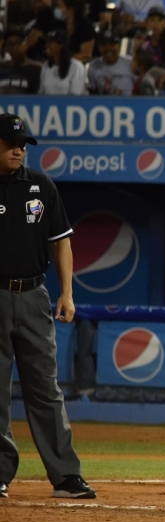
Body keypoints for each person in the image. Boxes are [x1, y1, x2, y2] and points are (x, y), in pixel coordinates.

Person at [0, 113, 96, 501]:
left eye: (23, 144)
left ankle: (66, 476)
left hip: (34, 295)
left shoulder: (40, 185)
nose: (19, 149)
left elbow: (61, 242)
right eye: (11, 143)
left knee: (45, 388)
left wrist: (67, 293)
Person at [134, 7, 165, 90]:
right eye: (152, 20)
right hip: (151, 78)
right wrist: (135, 50)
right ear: (147, 23)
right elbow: (135, 70)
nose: (156, 24)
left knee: (154, 73)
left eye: (160, 20)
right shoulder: (146, 43)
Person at [87, 30, 135, 95]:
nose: (108, 48)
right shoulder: (93, 66)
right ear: (99, 48)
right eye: (104, 45)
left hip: (131, 102)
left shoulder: (130, 63)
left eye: (112, 44)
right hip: (104, 103)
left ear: (119, 46)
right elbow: (93, 92)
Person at [39, 29, 86, 95]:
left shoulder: (76, 67)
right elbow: (42, 92)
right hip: (49, 104)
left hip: (68, 104)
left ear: (61, 45)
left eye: (50, 42)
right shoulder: (46, 66)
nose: (46, 46)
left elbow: (76, 96)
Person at [0, 29, 42, 94]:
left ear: (24, 45)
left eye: (17, 43)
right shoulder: (2, 67)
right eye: (10, 44)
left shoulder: (35, 68)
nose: (13, 48)